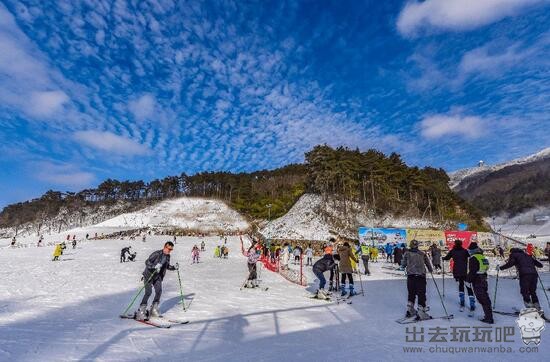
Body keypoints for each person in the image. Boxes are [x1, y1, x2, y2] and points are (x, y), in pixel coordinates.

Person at [135, 242, 178, 321]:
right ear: (165, 247)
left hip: (157, 277)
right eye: (169, 249)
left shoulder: (168, 256)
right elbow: (147, 262)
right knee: (148, 292)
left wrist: (174, 267)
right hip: (149, 275)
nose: (170, 251)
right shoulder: (156, 254)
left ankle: (153, 310)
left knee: (159, 291)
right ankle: (141, 311)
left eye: (171, 249)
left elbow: (166, 266)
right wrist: (154, 266)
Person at [499, 247, 544, 315]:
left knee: (524, 291)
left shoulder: (514, 255)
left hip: (525, 275)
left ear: (512, 252)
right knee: (532, 292)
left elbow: (510, 264)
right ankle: (538, 308)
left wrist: (500, 268)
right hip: (534, 275)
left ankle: (530, 309)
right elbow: (540, 265)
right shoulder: (528, 255)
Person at [402, 240, 433, 320]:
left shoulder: (407, 253)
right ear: (417, 246)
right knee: (421, 293)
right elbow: (428, 263)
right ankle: (421, 311)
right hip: (420, 276)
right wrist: (430, 269)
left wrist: (405, 266)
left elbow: (403, 264)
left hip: (411, 276)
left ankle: (410, 309)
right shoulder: (422, 253)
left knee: (411, 293)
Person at [443, 239, 475, 312]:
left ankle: (462, 302)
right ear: (461, 244)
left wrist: (443, 258)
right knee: (468, 287)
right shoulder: (465, 251)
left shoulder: (452, 251)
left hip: (457, 272)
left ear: (455, 244)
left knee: (461, 286)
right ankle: (472, 304)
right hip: (465, 272)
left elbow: (447, 258)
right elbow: (471, 255)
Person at [467, 242, 494, 324]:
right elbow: (486, 267)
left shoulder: (473, 258)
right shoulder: (482, 257)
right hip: (484, 279)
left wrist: (468, 280)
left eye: (470, 250)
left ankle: (489, 318)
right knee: (485, 297)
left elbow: (473, 271)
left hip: (477, 280)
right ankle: (488, 315)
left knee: (482, 298)